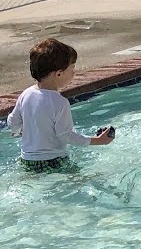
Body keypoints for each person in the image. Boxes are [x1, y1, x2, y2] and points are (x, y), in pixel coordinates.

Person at [5, 37, 115, 171]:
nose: (74, 72)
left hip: (27, 160)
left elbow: (12, 122)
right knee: (84, 180)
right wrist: (98, 141)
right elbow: (66, 135)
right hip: (53, 161)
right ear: (58, 74)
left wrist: (20, 132)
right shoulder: (60, 102)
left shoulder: (26, 94)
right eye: (72, 68)